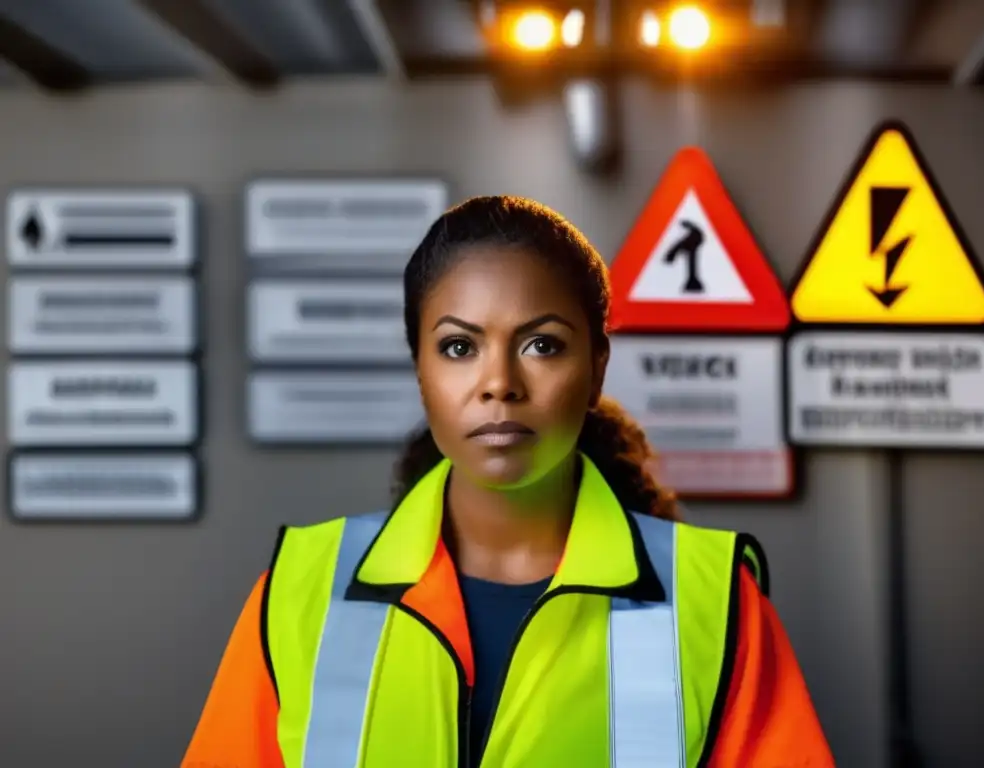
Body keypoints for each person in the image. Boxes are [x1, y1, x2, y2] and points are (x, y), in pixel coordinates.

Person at [183, 196, 834, 768]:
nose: (499, 383)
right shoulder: (299, 593)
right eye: (459, 347)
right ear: (419, 369)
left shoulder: (718, 603)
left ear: (596, 368)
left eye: (542, 345)